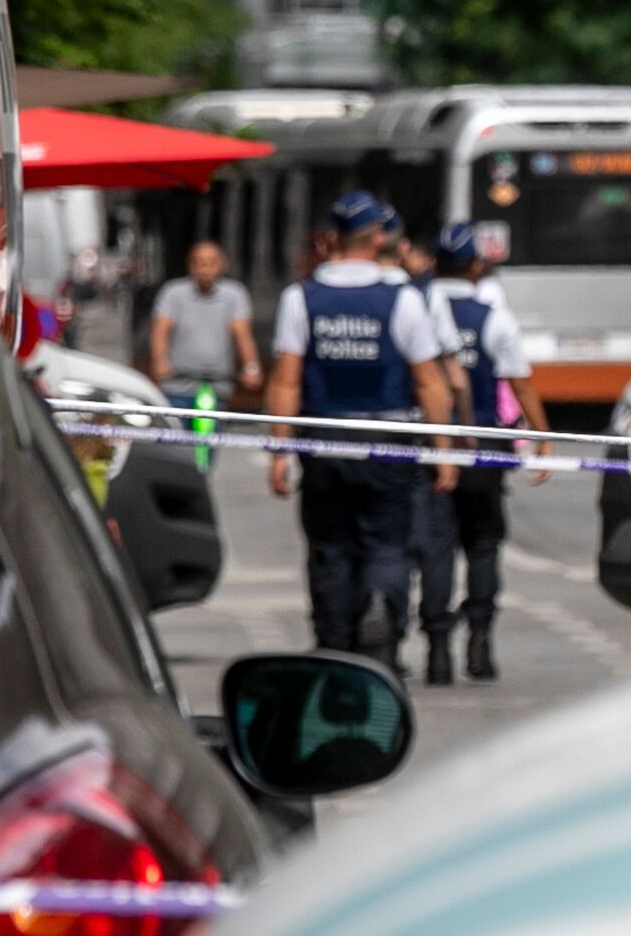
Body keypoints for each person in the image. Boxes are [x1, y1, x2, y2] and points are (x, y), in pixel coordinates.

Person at [268, 190, 460, 655]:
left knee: (330, 547)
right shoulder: (403, 299)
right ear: (378, 239)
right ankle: (383, 615)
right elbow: (430, 382)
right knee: (387, 545)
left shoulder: (300, 298)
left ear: (332, 238)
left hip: (323, 440)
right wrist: (444, 450)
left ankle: (334, 643)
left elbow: (286, 381)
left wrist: (278, 450)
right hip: (387, 440)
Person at [411, 219, 547, 683]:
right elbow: (520, 383)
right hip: (484, 443)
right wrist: (543, 436)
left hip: (432, 442)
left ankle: (437, 653)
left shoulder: (416, 308)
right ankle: (480, 645)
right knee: (483, 545)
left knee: (437, 549)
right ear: (475, 267)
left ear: (434, 264)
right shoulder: (494, 316)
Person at [147, 239, 262, 465]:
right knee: (174, 450)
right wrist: (160, 361)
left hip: (215, 385)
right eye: (199, 263)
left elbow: (242, 335)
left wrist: (251, 368)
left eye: (210, 263)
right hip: (178, 385)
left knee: (207, 450)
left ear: (222, 265)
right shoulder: (173, 293)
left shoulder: (234, 295)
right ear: (190, 266)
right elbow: (160, 330)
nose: (204, 269)